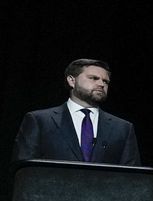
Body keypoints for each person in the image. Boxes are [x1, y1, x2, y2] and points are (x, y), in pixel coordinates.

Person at [13, 58, 143, 166]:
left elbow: (132, 176)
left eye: (105, 81)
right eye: (93, 78)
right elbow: (24, 170)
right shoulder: (40, 120)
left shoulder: (123, 128)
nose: (101, 84)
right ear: (72, 80)